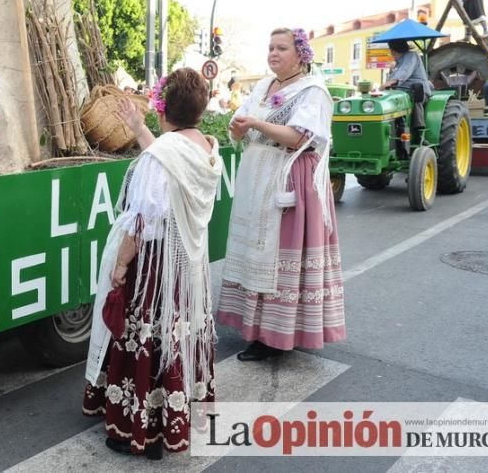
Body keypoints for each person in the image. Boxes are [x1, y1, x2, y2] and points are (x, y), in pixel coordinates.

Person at [83, 67, 222, 459]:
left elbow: (142, 220)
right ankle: (172, 416)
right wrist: (141, 129)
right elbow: (170, 159)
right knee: (177, 333)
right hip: (188, 266)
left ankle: (137, 428)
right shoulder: (208, 149)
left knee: (145, 334)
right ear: (201, 109)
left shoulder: (157, 160)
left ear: (161, 109)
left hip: (154, 268)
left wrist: (122, 265)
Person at [217, 28, 346, 362]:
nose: (273, 53)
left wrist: (256, 125)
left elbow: (298, 136)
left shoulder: (312, 91)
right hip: (257, 176)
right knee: (256, 251)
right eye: (270, 47)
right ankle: (257, 326)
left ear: (300, 54)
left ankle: (276, 335)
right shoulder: (263, 85)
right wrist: (237, 128)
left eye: (281, 48)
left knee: (276, 255)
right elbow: (242, 119)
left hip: (289, 180)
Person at [382, 39, 433, 132]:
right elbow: (390, 80)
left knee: (414, 97)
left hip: (418, 91)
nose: (391, 52)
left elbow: (405, 71)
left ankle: (419, 130)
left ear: (394, 49)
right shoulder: (397, 63)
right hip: (401, 92)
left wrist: (392, 81)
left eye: (391, 49)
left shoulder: (411, 56)